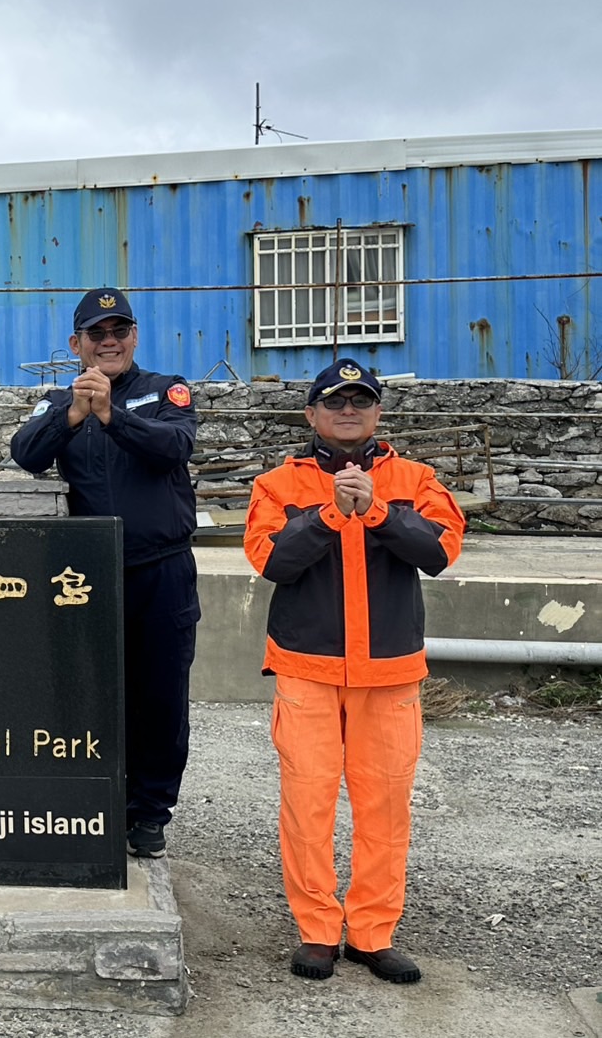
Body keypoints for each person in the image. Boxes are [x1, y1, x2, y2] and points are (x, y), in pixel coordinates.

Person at [244, 358, 465, 984]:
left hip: (390, 673)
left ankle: (372, 933)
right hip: (307, 670)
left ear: (378, 413)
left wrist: (380, 511)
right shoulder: (277, 485)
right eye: (334, 401)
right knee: (307, 805)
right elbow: (270, 560)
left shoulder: (416, 479)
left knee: (386, 809)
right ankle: (317, 931)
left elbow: (440, 551)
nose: (348, 411)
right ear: (311, 414)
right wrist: (328, 515)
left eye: (360, 401)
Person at [10, 286, 200, 860]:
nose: (109, 342)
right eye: (97, 334)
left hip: (161, 571)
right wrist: (72, 416)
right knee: (84, 693)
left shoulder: (165, 391)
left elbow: (174, 447)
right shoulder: (59, 399)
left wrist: (113, 417)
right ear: (77, 344)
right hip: (85, 578)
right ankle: (93, 803)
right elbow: (25, 453)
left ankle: (149, 813)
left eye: (119, 331)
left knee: (160, 697)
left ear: (134, 337)